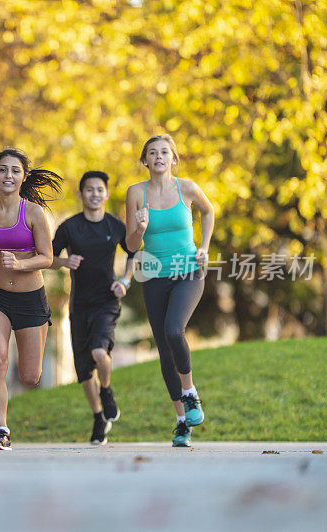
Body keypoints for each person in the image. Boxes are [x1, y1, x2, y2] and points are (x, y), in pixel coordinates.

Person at [0, 147, 62, 451]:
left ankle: (0, 423)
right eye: (3, 169)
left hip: (31, 299)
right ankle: (1, 429)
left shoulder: (32, 213)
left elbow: (47, 257)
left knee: (30, 376)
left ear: (23, 177)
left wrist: (20, 264)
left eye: (15, 170)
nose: (8, 175)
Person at [125, 134, 215, 447]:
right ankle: (181, 423)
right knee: (164, 349)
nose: (159, 157)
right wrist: (139, 226)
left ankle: (190, 393)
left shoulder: (186, 188)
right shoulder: (136, 193)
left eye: (165, 152)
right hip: (153, 276)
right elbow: (131, 244)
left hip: (189, 271)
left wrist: (203, 246)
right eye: (152, 153)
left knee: (174, 331)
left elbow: (208, 211)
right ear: (145, 161)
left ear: (173, 158)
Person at [50, 170, 137, 445]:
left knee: (100, 352)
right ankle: (99, 416)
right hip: (78, 305)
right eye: (89, 189)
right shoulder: (68, 227)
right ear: (80, 194)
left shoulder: (115, 226)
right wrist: (65, 263)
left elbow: (133, 253)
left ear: (106, 194)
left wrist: (125, 280)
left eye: (100, 189)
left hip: (106, 301)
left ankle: (107, 391)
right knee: (85, 371)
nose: (95, 194)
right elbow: (47, 258)